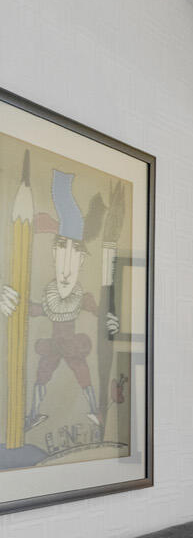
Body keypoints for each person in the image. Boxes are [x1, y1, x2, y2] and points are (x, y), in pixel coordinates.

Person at [0, 169, 119, 432]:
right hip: (55, 345)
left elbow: (100, 315)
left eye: (73, 259)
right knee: (41, 377)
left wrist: (112, 323)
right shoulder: (50, 296)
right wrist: (11, 302)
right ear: (53, 257)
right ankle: (31, 414)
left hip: (73, 346)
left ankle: (96, 412)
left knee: (83, 377)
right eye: (60, 257)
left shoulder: (81, 298)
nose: (65, 271)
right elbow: (34, 310)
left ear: (82, 261)